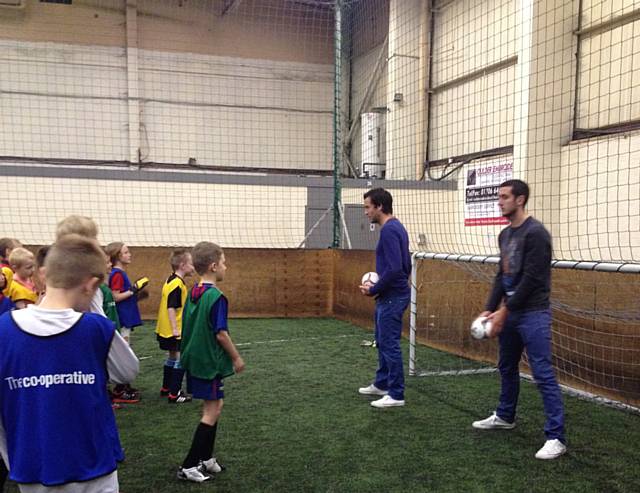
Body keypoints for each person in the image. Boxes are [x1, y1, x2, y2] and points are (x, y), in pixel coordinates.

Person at [0, 234, 139, 492]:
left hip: (33, 468)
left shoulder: (3, 329)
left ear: (44, 275)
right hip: (95, 468)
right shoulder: (96, 328)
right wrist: (95, 308)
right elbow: (128, 371)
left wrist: (14, 460)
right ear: (91, 284)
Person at [471, 179, 566, 460]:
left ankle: (556, 437)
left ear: (520, 199)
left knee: (542, 373)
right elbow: (503, 274)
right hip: (510, 311)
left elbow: (533, 279)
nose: (499, 202)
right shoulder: (505, 235)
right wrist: (489, 309)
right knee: (506, 366)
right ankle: (505, 415)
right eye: (499, 197)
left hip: (533, 312)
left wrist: (504, 311)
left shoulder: (536, 234)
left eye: (504, 197)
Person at [178, 242, 245, 483]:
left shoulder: (194, 292)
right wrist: (236, 357)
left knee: (216, 405)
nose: (226, 267)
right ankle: (188, 465)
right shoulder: (216, 297)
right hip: (209, 362)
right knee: (212, 410)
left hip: (194, 359)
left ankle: (206, 458)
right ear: (214, 266)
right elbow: (220, 333)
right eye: (224, 262)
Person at [358, 188, 411, 408]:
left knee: (389, 344)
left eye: (367, 207)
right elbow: (405, 265)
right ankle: (382, 383)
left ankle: (396, 394)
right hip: (391, 294)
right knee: (382, 341)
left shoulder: (389, 230)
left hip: (392, 296)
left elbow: (396, 268)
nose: (365, 212)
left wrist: (374, 288)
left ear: (379, 206)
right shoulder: (397, 227)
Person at [156, 249, 195, 403]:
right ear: (182, 265)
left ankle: (166, 388)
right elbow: (171, 307)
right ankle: (175, 394)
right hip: (174, 329)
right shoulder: (177, 284)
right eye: (191, 264)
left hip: (164, 328)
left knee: (172, 356)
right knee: (180, 359)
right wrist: (175, 329)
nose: (193, 267)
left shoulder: (170, 280)